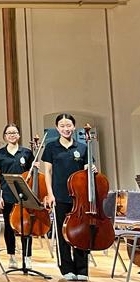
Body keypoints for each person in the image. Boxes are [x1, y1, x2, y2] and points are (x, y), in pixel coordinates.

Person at [42, 113, 90, 281]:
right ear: (57, 128)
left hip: (80, 198)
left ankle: (82, 269)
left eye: (69, 125)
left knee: (81, 233)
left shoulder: (82, 147)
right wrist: (50, 193)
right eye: (62, 126)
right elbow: (48, 172)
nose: (66, 128)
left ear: (74, 127)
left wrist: (92, 169)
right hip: (59, 196)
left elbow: (87, 170)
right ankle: (66, 269)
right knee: (63, 234)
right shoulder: (51, 147)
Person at [0, 123, 35, 270]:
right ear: (5, 136)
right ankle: (12, 257)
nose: (12, 135)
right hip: (7, 194)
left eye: (14, 132)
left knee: (26, 226)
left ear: (19, 135)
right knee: (9, 227)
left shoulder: (27, 153)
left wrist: (36, 168)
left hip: (24, 195)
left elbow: (32, 174)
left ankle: (27, 257)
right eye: (9, 133)